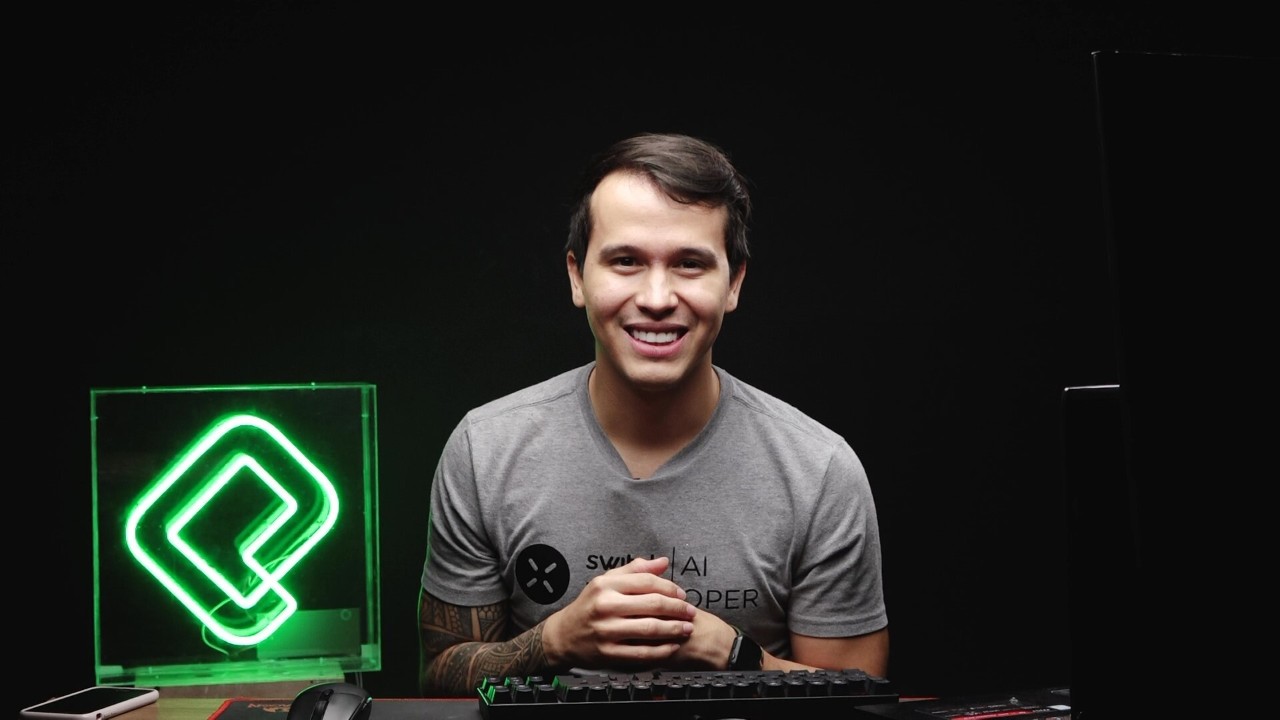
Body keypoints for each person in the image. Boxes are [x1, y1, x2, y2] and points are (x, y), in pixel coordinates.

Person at [417, 131, 888, 696]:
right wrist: (556, 638)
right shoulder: (485, 450)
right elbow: (437, 682)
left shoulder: (820, 470)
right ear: (576, 276)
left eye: (690, 263)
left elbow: (861, 702)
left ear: (734, 282)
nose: (658, 297)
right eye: (626, 261)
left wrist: (728, 651)